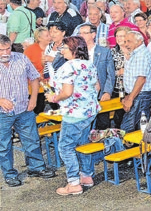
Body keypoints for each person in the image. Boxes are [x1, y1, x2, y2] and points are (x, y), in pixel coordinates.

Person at [0, 34, 56, 187]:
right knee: (3, 145)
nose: (5, 53)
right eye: (1, 50)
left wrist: (33, 99)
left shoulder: (21, 58)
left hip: (24, 108)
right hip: (2, 113)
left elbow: (34, 78)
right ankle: (10, 174)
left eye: (7, 49)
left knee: (32, 139)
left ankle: (36, 167)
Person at [47, 36, 100, 195]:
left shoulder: (68, 67)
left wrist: (54, 98)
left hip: (74, 113)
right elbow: (97, 86)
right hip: (89, 111)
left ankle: (74, 183)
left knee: (65, 147)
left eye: (64, 47)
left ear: (73, 50)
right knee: (82, 143)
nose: (61, 50)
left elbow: (67, 92)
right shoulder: (89, 65)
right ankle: (86, 175)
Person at [120, 31, 151, 132]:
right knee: (138, 128)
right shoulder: (136, 53)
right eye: (125, 41)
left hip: (141, 96)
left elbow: (141, 79)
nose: (126, 44)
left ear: (139, 41)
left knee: (127, 129)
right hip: (138, 95)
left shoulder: (141, 55)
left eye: (129, 41)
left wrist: (130, 98)